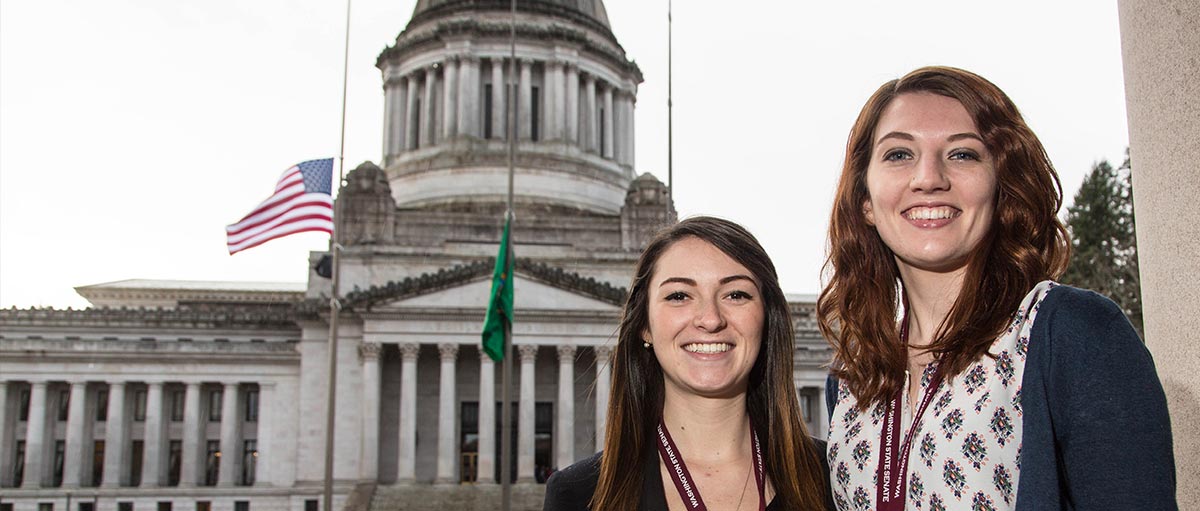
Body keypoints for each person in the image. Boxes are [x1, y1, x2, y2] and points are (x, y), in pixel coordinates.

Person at [819, 66, 1176, 510]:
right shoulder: (856, 378)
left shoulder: (1069, 334)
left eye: (963, 154)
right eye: (898, 155)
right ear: (865, 200)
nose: (928, 178)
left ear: (1002, 186)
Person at [545, 216, 832, 510]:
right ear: (645, 325)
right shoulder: (578, 495)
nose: (710, 319)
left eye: (736, 294)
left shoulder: (837, 480)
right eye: (679, 296)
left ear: (768, 319)